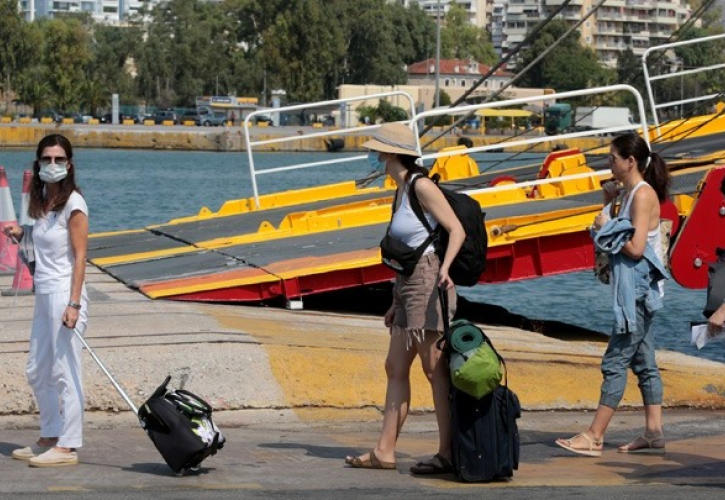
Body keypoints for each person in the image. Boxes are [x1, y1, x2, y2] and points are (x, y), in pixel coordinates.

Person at [344, 123, 465, 473]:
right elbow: (406, 249)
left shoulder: (421, 186)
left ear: (392, 153)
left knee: (433, 369)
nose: (374, 155)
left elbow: (455, 229)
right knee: (395, 367)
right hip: (407, 284)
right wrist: (396, 301)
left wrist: (447, 270)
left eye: (378, 149)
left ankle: (449, 453)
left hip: (428, 283)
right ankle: (385, 451)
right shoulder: (400, 190)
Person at [556, 133, 671, 457]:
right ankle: (653, 432)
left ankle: (595, 435)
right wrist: (609, 203)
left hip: (635, 292)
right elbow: (622, 231)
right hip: (637, 289)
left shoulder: (643, 195)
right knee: (644, 361)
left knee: (615, 361)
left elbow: (634, 249)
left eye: (613, 158)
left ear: (630, 161)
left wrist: (605, 224)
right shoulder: (631, 193)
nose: (610, 163)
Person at [3, 134, 89, 467]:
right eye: (46, 159)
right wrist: (22, 234)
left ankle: (68, 445)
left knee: (66, 370)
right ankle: (50, 434)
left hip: (65, 295)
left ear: (69, 164)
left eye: (58, 159)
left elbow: (80, 257)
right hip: (43, 294)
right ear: (38, 163)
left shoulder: (74, 203)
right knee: (37, 369)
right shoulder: (44, 204)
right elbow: (46, 242)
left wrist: (74, 303)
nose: (51, 165)